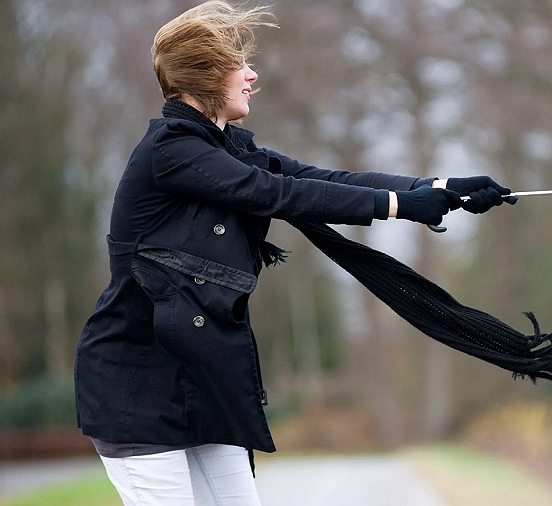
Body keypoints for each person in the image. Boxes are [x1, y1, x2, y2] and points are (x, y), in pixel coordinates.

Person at [73, 1, 515, 504]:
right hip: (136, 387)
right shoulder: (171, 151)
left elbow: (317, 179)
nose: (252, 75)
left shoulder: (225, 147)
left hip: (202, 381)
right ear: (207, 75)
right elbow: (276, 194)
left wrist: (438, 186)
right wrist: (400, 206)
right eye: (240, 65)